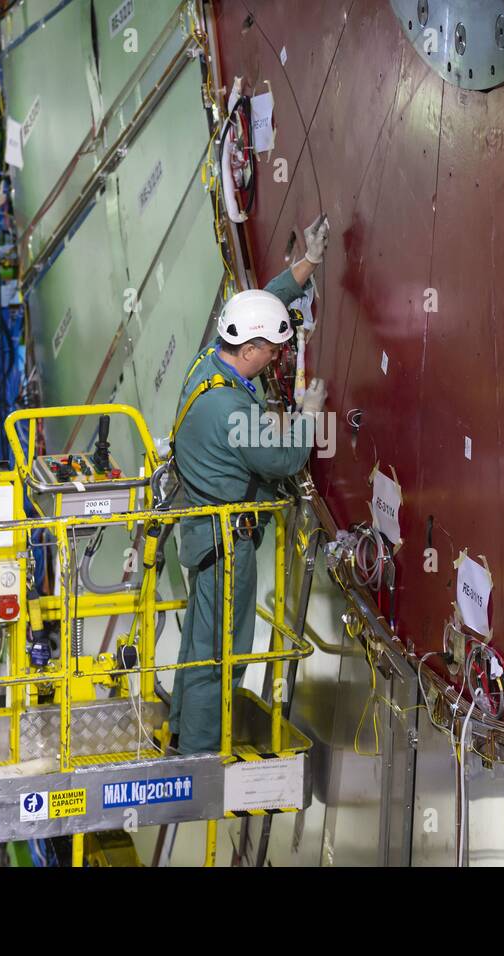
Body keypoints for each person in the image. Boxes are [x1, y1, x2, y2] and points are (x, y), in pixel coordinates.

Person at [167, 215, 332, 754]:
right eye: (273, 351)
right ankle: (201, 757)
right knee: (225, 654)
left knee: (199, 645)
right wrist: (307, 416)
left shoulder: (207, 363)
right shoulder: (232, 410)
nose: (277, 357)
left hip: (201, 535)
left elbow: (255, 306)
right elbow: (284, 458)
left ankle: (183, 733)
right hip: (227, 546)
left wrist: (302, 270)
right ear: (252, 353)